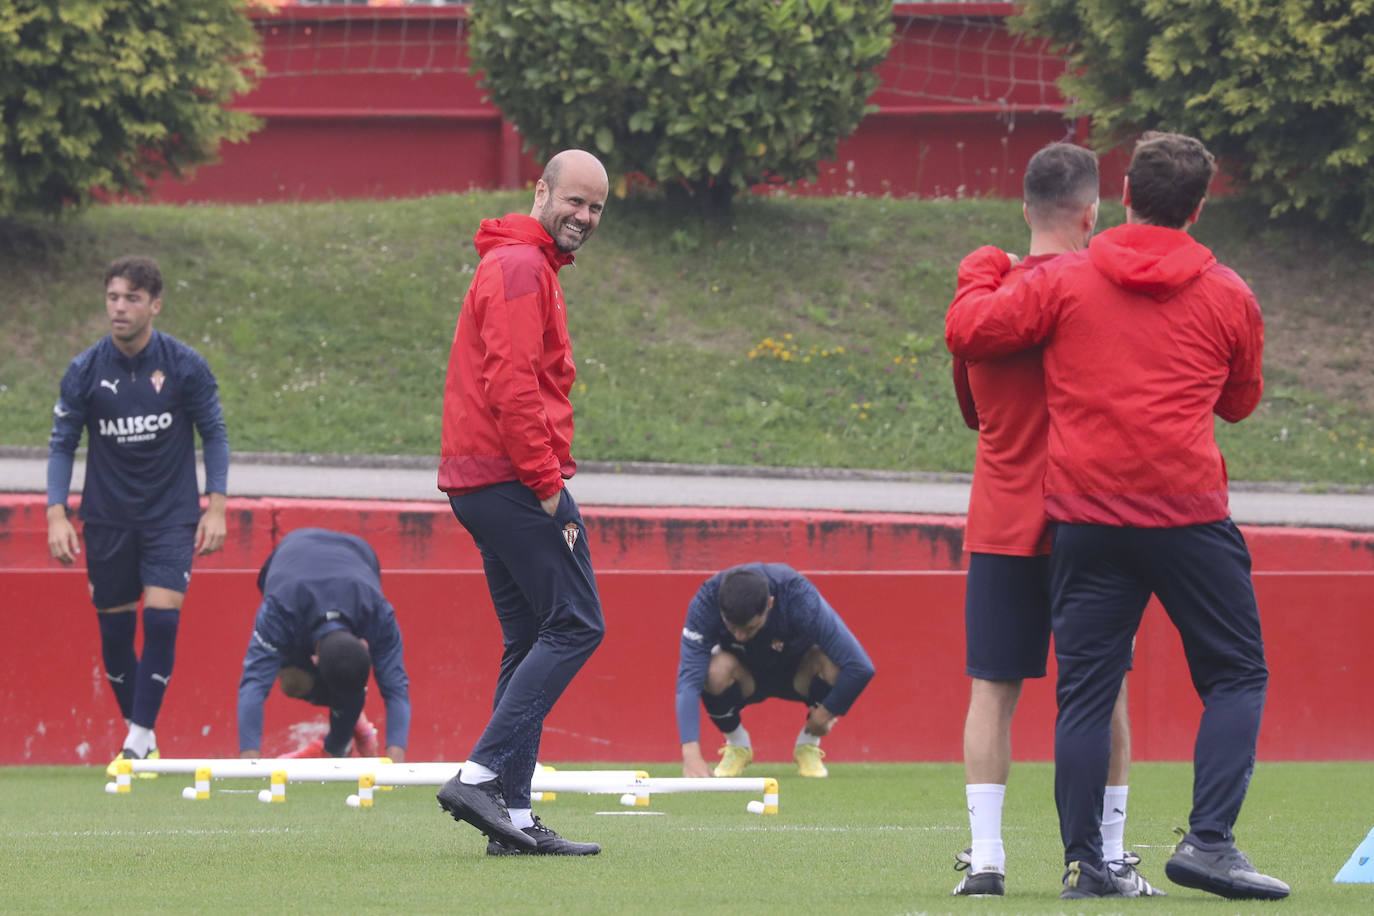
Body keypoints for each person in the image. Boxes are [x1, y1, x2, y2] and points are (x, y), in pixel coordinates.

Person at [946, 131, 1288, 901]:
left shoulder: (1070, 278)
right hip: (1186, 508)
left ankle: (1081, 865)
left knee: (1084, 692)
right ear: (1199, 207)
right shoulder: (1229, 291)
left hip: (1084, 513)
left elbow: (971, 334)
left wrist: (979, 268)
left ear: (1125, 195)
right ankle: (1208, 840)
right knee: (1237, 672)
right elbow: (1240, 401)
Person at [948, 143, 1160, 898]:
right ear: (1092, 213)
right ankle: (1105, 855)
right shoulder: (1097, 296)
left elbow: (974, 411)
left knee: (991, 692)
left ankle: (986, 858)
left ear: (1024, 211)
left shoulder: (984, 302)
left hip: (1002, 516)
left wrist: (982, 266)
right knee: (1105, 692)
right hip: (1087, 517)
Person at [434, 149, 609, 857]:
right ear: (541, 193)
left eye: (596, 208)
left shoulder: (521, 262)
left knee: (533, 635)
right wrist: (545, 485)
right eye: (574, 201)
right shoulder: (519, 266)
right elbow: (511, 383)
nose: (585, 217)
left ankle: (514, 816)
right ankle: (480, 777)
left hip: (486, 478)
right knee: (577, 624)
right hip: (510, 479)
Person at [46, 255, 229, 775]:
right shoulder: (84, 369)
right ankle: (142, 735)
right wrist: (56, 514)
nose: (119, 308)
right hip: (106, 518)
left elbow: (214, 433)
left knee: (163, 616)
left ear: (155, 304)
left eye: (130, 298)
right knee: (115, 635)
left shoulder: (184, 364)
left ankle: (136, 740)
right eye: (112, 297)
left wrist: (215, 505)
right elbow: (62, 444)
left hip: (171, 515)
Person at [675, 563, 875, 780]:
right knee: (713, 671)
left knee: (833, 664)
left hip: (799, 674)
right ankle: (738, 744)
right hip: (745, 676)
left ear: (770, 604)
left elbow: (860, 666)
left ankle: (808, 745)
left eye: (749, 628)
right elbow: (688, 682)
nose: (740, 636)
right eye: (733, 627)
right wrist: (691, 756)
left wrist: (826, 713)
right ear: (720, 610)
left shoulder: (799, 597)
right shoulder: (706, 603)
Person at [237, 527, 410, 761]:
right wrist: (249, 767)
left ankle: (336, 747)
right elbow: (254, 682)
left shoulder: (377, 612)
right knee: (291, 682)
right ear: (314, 659)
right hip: (292, 555)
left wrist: (395, 770)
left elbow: (396, 687)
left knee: (348, 675)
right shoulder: (279, 610)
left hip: (358, 554)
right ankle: (345, 734)